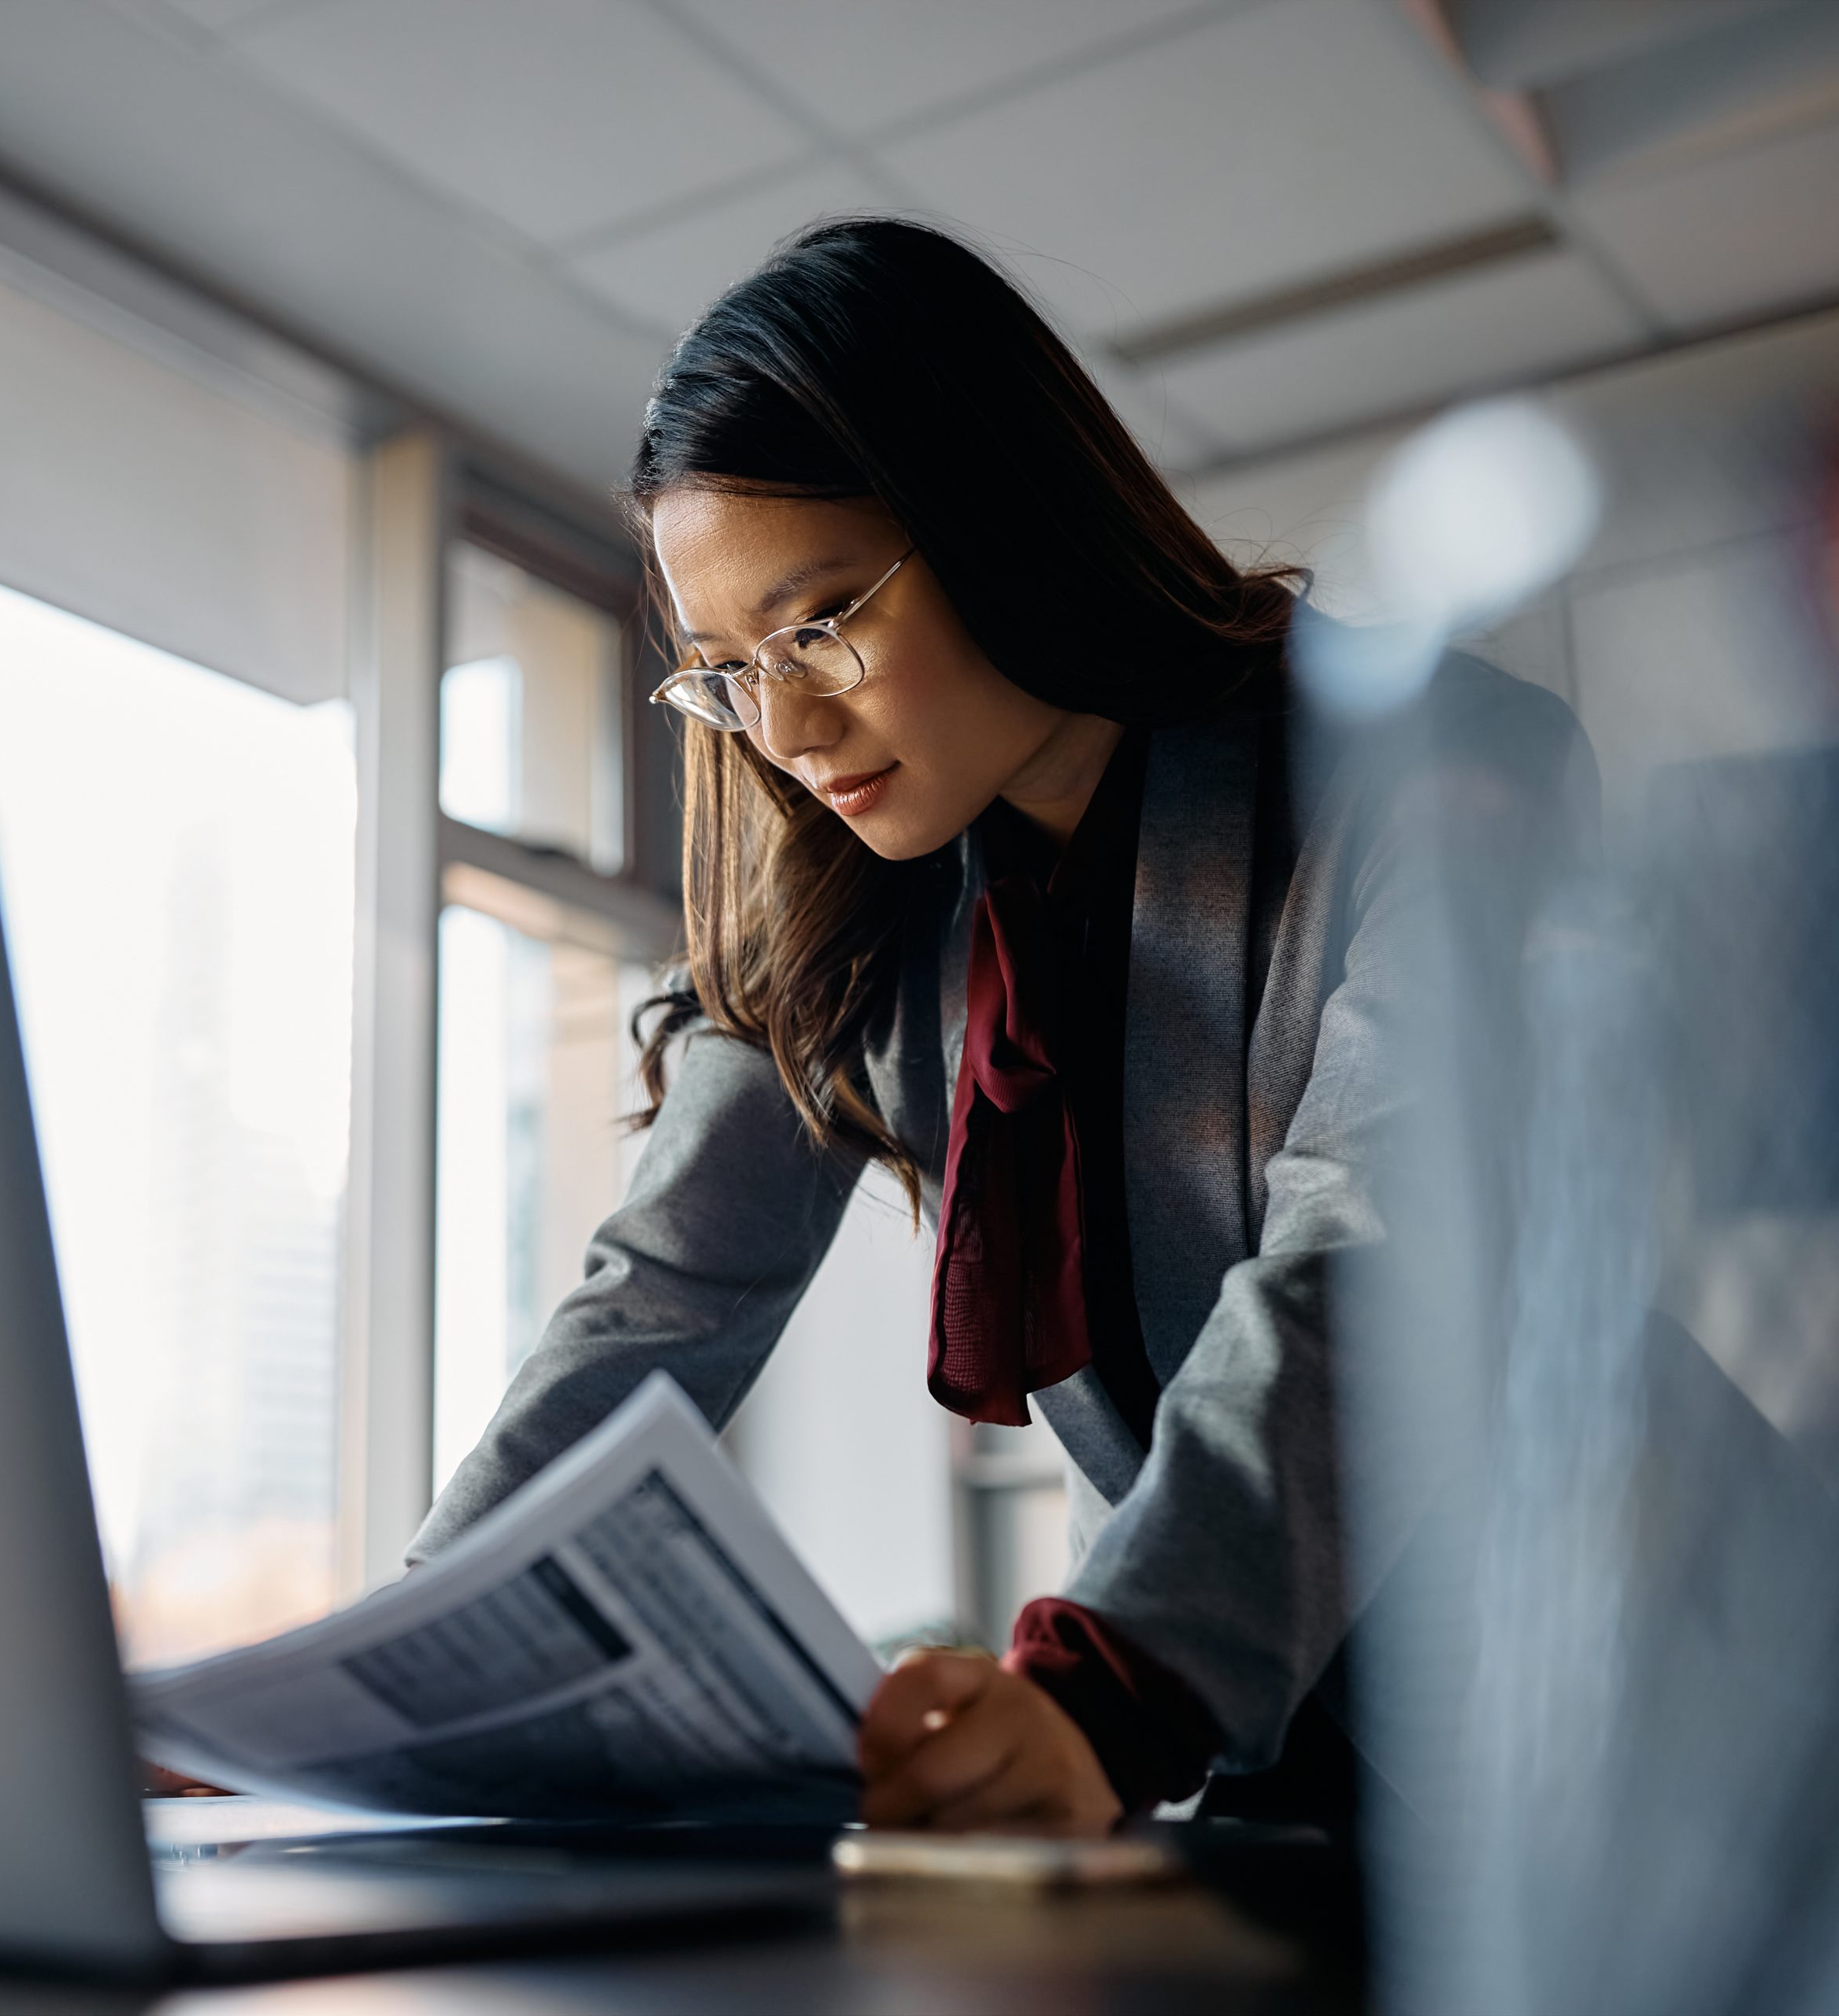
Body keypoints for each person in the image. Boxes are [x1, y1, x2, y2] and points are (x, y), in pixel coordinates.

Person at [408, 219, 1592, 1836]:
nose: (789, 729)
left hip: (1609, 1717)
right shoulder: (862, 898)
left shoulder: (1432, 762)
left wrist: (1109, 1684)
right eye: (729, 673)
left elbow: (1377, 1256)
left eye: (824, 624)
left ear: (1001, 523)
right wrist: (400, 1663)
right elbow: (660, 1299)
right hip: (1273, 1776)